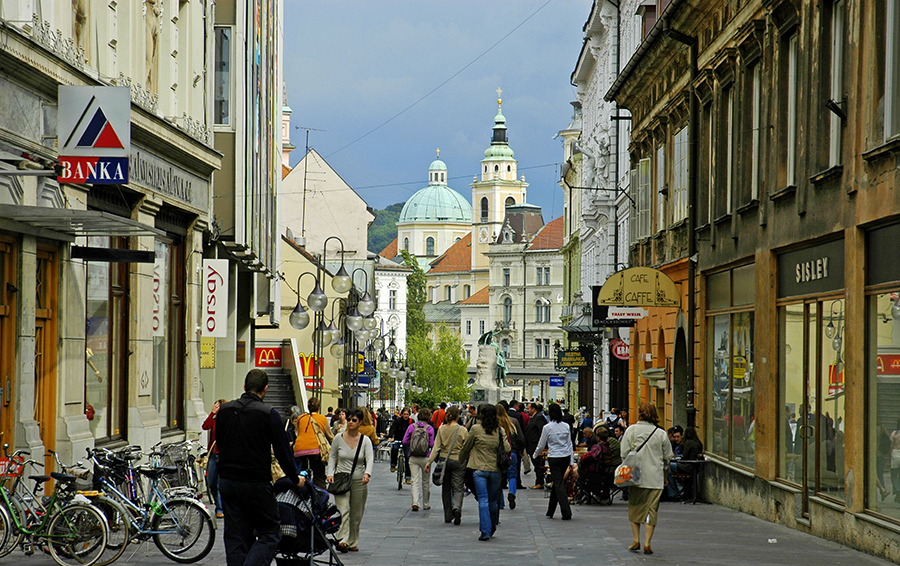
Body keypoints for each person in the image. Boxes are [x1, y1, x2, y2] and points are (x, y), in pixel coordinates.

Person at [216, 369, 301, 566]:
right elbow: (283, 453)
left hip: (227, 479)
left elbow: (220, 442)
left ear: (244, 387)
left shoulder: (225, 410)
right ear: (266, 389)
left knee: (236, 534)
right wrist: (295, 478)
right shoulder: (269, 413)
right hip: (255, 480)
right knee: (270, 532)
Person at [622, 402, 673, 555]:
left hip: (635, 477)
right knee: (652, 509)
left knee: (635, 506)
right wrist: (665, 475)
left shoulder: (631, 430)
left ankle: (636, 539)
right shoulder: (661, 433)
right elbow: (667, 458)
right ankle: (647, 542)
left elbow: (623, 453)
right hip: (655, 477)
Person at [458, 404, 510, 541]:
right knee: (493, 500)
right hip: (495, 470)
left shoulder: (475, 429)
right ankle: (492, 526)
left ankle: (485, 530)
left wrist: (461, 460)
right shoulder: (500, 430)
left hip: (479, 469)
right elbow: (507, 448)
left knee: (483, 499)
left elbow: (466, 447)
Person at [326, 408, 374, 553]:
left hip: (359, 480)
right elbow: (332, 456)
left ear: (360, 422)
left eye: (354, 420)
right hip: (341, 479)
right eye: (349, 419)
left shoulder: (365, 440)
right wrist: (330, 473)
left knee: (356, 513)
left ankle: (353, 541)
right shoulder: (338, 438)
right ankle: (343, 540)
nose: (350, 422)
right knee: (343, 509)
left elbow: (370, 458)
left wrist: (367, 473)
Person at [425, 406, 468, 524]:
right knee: (458, 487)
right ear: (458, 416)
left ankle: (448, 515)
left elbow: (436, 448)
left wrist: (429, 462)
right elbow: (466, 448)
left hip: (444, 461)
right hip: (458, 461)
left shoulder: (442, 429)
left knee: (446, 488)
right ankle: (457, 507)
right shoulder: (463, 430)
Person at [532, 403, 574, 521]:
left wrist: (535, 455)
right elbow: (569, 444)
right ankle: (550, 510)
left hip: (554, 457)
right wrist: (571, 461)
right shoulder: (566, 426)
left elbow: (541, 444)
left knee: (558, 483)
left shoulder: (547, 427)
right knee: (558, 482)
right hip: (565, 456)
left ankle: (566, 511)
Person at [293, 397, 334, 489]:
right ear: (318, 407)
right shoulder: (323, 419)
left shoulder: (300, 418)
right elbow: (329, 436)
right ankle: (320, 494)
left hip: (299, 450)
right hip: (316, 450)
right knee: (319, 476)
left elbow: (299, 433)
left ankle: (302, 491)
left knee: (302, 475)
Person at [403, 408, 435, 511]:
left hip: (413, 457)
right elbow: (432, 444)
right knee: (425, 481)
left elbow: (404, 441)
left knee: (414, 480)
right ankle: (426, 503)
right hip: (426, 457)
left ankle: (415, 502)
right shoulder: (429, 428)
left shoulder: (411, 427)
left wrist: (413, 444)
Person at [201, 398, 228, 519]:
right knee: (211, 482)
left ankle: (220, 509)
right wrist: (212, 413)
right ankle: (219, 504)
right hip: (212, 454)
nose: (216, 408)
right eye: (215, 406)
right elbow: (205, 426)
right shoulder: (213, 420)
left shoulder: (228, 421)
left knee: (219, 484)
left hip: (223, 455)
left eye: (218, 407)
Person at [496, 402, 524, 510]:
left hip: (498, 454)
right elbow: (520, 438)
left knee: (499, 478)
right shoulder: (513, 421)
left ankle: (500, 502)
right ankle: (512, 492)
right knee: (512, 476)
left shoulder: (493, 423)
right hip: (512, 452)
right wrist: (521, 449)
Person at [667, 426, 703, 500]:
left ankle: (673, 494)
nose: (676, 439)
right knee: (669, 473)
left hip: (687, 467)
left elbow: (685, 457)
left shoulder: (688, 443)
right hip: (695, 468)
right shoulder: (698, 443)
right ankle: (675, 493)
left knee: (667, 466)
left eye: (678, 437)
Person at [524, 402, 547, 489]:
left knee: (538, 464)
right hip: (532, 445)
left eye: (528, 408)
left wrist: (540, 445)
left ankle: (540, 482)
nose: (527, 410)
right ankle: (538, 482)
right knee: (537, 464)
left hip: (536, 446)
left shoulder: (538, 418)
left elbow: (541, 432)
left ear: (533, 409)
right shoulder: (534, 417)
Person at [389, 407, 413, 482]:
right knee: (394, 448)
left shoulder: (411, 421)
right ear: (402, 414)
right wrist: (391, 436)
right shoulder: (397, 420)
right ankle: (393, 464)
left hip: (407, 442)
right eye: (404, 414)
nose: (406, 416)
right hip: (398, 439)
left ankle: (408, 477)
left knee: (407, 457)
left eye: (407, 414)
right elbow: (393, 429)